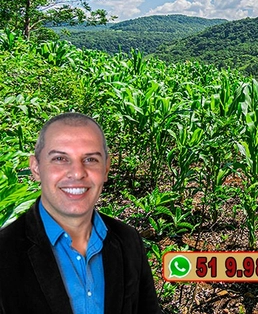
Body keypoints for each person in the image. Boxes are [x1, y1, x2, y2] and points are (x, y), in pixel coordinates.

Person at [0, 112, 162, 314]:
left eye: (91, 159)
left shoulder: (128, 241)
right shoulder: (5, 251)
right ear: (36, 167)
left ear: (106, 169)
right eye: (60, 158)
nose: (77, 173)